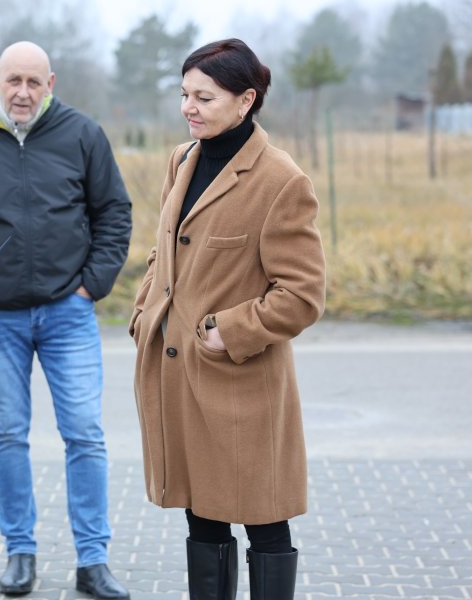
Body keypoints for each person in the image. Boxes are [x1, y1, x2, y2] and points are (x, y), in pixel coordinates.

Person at [0, 41, 132, 599]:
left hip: (69, 311)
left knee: (84, 433)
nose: (22, 92)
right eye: (13, 80)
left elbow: (113, 211)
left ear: (50, 84)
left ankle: (93, 560)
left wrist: (91, 286)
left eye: (33, 82)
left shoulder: (82, 134)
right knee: (8, 434)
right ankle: (20, 552)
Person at [129, 38, 327, 599]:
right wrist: (145, 311)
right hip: (177, 378)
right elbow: (164, 250)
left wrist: (228, 332)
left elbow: (302, 294)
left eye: (204, 98)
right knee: (202, 514)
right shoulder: (182, 159)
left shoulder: (281, 180)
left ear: (246, 100)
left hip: (242, 385)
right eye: (184, 95)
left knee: (264, 519)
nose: (189, 108)